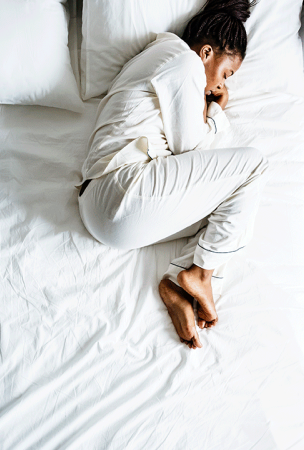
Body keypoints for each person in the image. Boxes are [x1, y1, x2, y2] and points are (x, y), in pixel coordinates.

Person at [78, 0, 267, 349]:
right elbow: (190, 147)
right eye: (226, 73)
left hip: (109, 214)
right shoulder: (181, 60)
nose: (221, 84)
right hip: (121, 187)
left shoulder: (161, 59)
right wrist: (216, 112)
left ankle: (178, 282)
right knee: (254, 167)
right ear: (206, 52)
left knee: (235, 209)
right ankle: (200, 273)